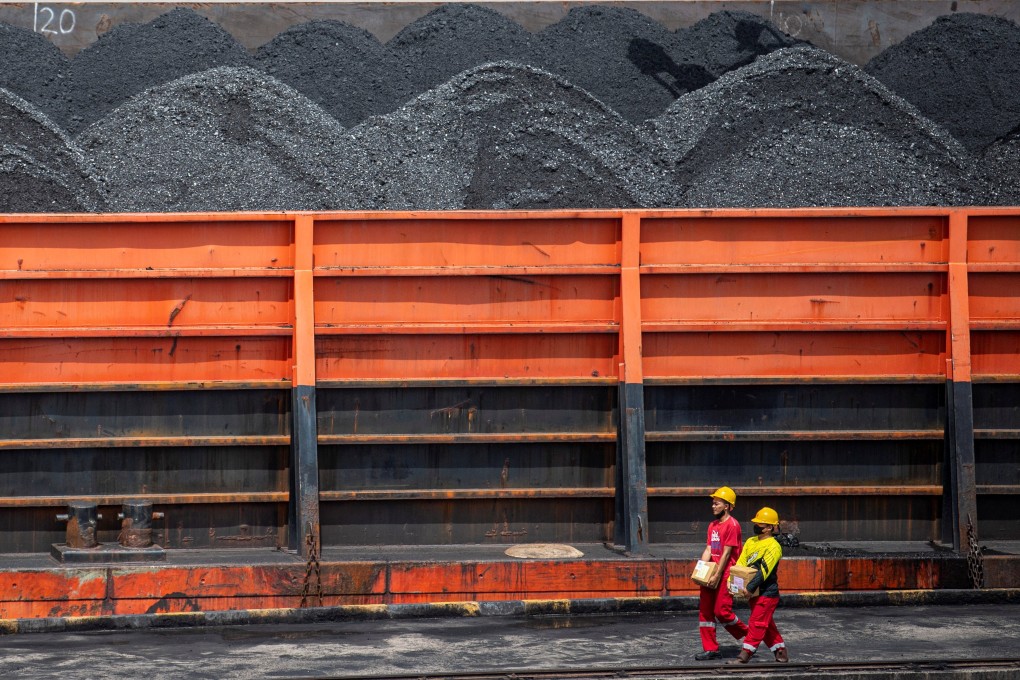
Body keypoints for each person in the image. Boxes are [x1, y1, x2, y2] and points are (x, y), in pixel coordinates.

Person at [693, 486, 749, 660]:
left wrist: (717, 574)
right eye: (713, 503)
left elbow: (726, 554)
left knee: (721, 611)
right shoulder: (713, 525)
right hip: (712, 571)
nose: (713, 506)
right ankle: (711, 649)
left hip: (725, 574)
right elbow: (709, 548)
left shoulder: (733, 525)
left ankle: (749, 634)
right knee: (705, 612)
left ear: (727, 506)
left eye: (716, 503)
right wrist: (700, 569)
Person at [728, 506, 788, 664]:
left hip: (767, 593)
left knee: (757, 623)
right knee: (767, 625)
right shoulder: (751, 541)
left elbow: (764, 571)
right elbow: (740, 564)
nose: (756, 526)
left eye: (760, 523)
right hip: (754, 593)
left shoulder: (773, 546)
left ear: (769, 527)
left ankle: (744, 656)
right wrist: (733, 581)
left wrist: (749, 587)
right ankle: (781, 653)